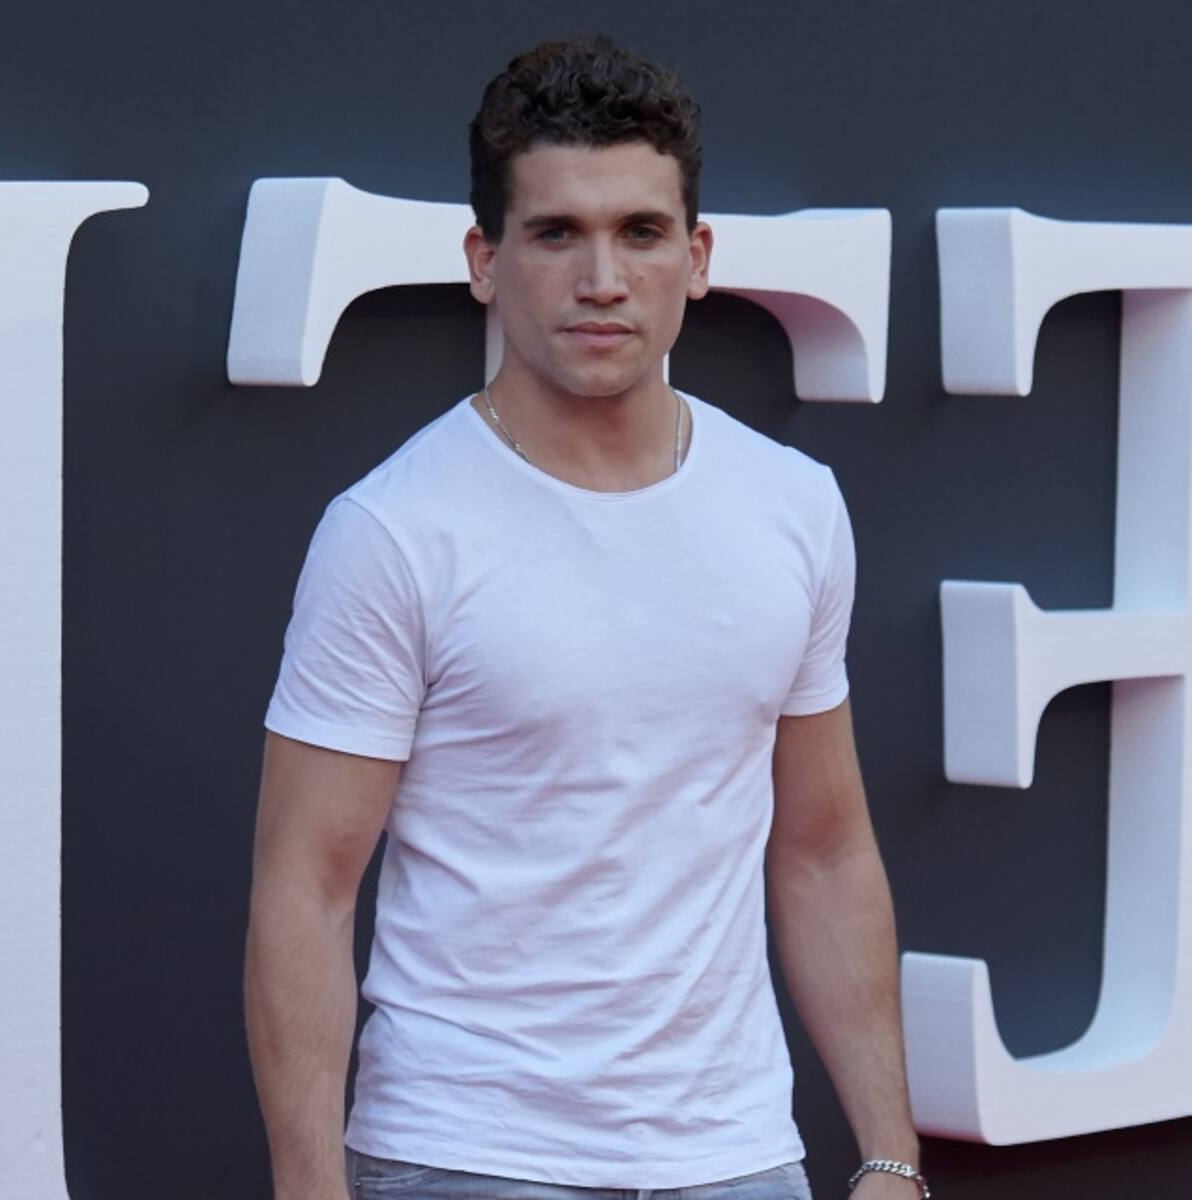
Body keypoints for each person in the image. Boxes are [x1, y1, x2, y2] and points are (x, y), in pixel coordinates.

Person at [244, 34, 926, 1200]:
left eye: (641, 232)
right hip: (467, 1155)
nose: (603, 279)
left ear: (697, 258)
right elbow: (304, 888)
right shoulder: (394, 530)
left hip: (738, 1157)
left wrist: (890, 1155)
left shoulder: (794, 506)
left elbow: (823, 848)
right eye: (557, 233)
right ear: (485, 260)